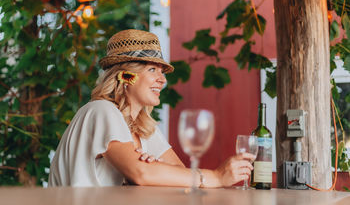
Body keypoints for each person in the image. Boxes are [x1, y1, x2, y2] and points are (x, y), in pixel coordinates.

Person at [48, 29, 254, 187]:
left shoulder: (144, 127)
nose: (162, 79)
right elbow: (141, 173)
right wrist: (217, 177)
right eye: (152, 69)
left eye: (162, 71)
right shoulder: (101, 111)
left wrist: (155, 169)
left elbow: (180, 173)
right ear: (127, 76)